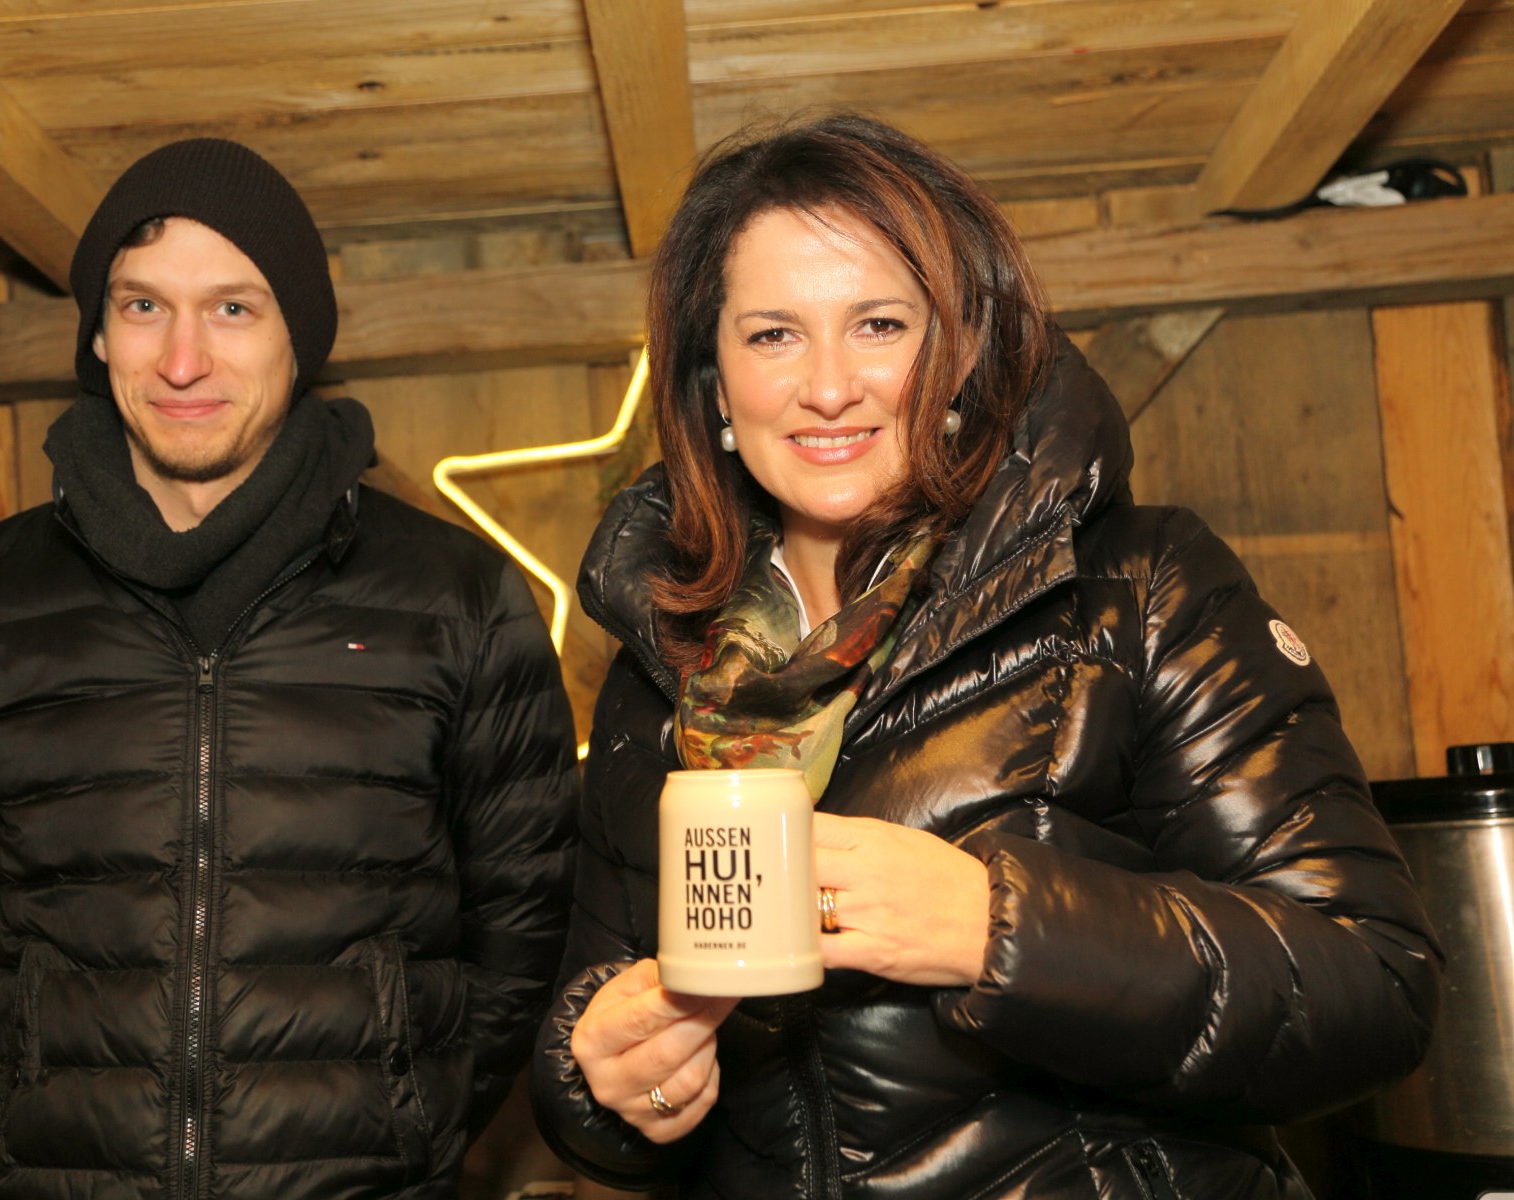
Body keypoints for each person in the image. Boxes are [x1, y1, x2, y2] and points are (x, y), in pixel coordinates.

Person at [529, 113, 1440, 1199]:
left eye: (879, 324)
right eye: (773, 336)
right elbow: (601, 1029)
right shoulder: (661, 669)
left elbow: (1372, 988)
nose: (830, 386)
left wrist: (995, 927)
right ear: (715, 386)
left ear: (961, 351)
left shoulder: (1138, 588)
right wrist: (603, 1086)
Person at [0, 137, 579, 1199]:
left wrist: (406, 1119)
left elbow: (524, 925)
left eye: (233, 308)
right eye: (143, 306)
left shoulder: (457, 602)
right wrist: (24, 1107)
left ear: (300, 338)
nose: (182, 359)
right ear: (98, 335)